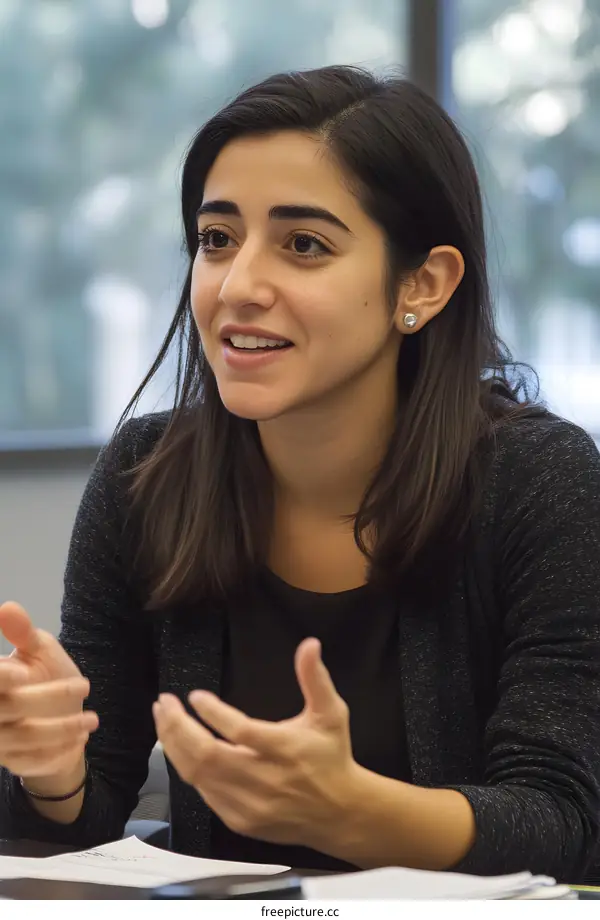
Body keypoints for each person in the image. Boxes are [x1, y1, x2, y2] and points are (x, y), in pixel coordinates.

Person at [1, 64, 599, 884]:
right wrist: (52, 765)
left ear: (421, 285)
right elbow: (96, 806)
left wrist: (354, 809)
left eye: (304, 245)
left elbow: (562, 817)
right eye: (217, 239)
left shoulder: (540, 481)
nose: (239, 285)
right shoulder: (145, 475)